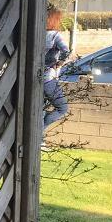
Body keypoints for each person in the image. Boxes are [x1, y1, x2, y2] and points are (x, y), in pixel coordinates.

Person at [42, 9, 70, 148]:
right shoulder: (55, 36)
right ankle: (39, 132)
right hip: (48, 78)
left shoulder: (38, 33)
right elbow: (66, 51)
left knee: (40, 109)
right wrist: (59, 63)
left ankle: (39, 141)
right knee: (62, 108)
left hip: (36, 77)